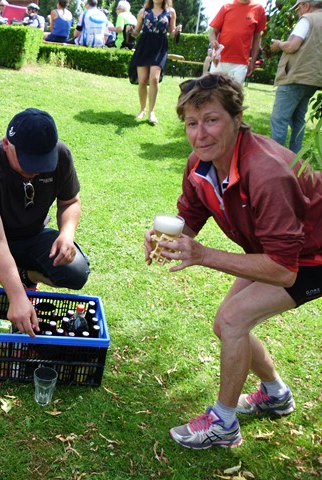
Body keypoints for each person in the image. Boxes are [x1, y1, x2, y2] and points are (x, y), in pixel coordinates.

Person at [144, 73, 322, 449]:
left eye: (211, 120)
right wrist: (169, 239)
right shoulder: (199, 164)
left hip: (312, 255)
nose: (200, 134)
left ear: (237, 118)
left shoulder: (267, 172)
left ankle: (223, 424)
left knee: (232, 318)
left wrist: (204, 255)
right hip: (281, 251)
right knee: (226, 325)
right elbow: (189, 218)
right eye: (192, 123)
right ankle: (275, 395)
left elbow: (283, 271)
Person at [0, 109, 90, 349]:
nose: (35, 171)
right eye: (28, 163)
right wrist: (16, 296)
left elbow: (70, 202)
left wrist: (67, 234)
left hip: (31, 233)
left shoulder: (61, 156)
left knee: (75, 271)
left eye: (43, 163)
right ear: (6, 144)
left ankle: (25, 275)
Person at [269, 0, 322, 153]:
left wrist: (279, 44)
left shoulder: (307, 19)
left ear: (306, 5)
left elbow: (292, 46)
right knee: (298, 121)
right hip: (313, 79)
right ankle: (294, 160)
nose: (298, 12)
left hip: (295, 77)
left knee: (279, 120)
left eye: (298, 7)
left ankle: (276, 159)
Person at [130, 0, 181, 125]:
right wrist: (130, 30)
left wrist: (177, 30)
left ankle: (151, 112)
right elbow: (136, 33)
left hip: (160, 47)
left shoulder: (170, 12)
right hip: (144, 46)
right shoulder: (144, 12)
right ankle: (142, 109)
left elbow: (172, 33)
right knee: (142, 80)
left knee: (154, 78)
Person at [208, 0, 266, 85]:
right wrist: (213, 41)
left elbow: (257, 38)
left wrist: (253, 61)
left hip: (241, 64)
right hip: (219, 61)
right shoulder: (226, 6)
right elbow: (213, 32)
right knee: (213, 93)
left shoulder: (259, 9)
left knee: (234, 96)